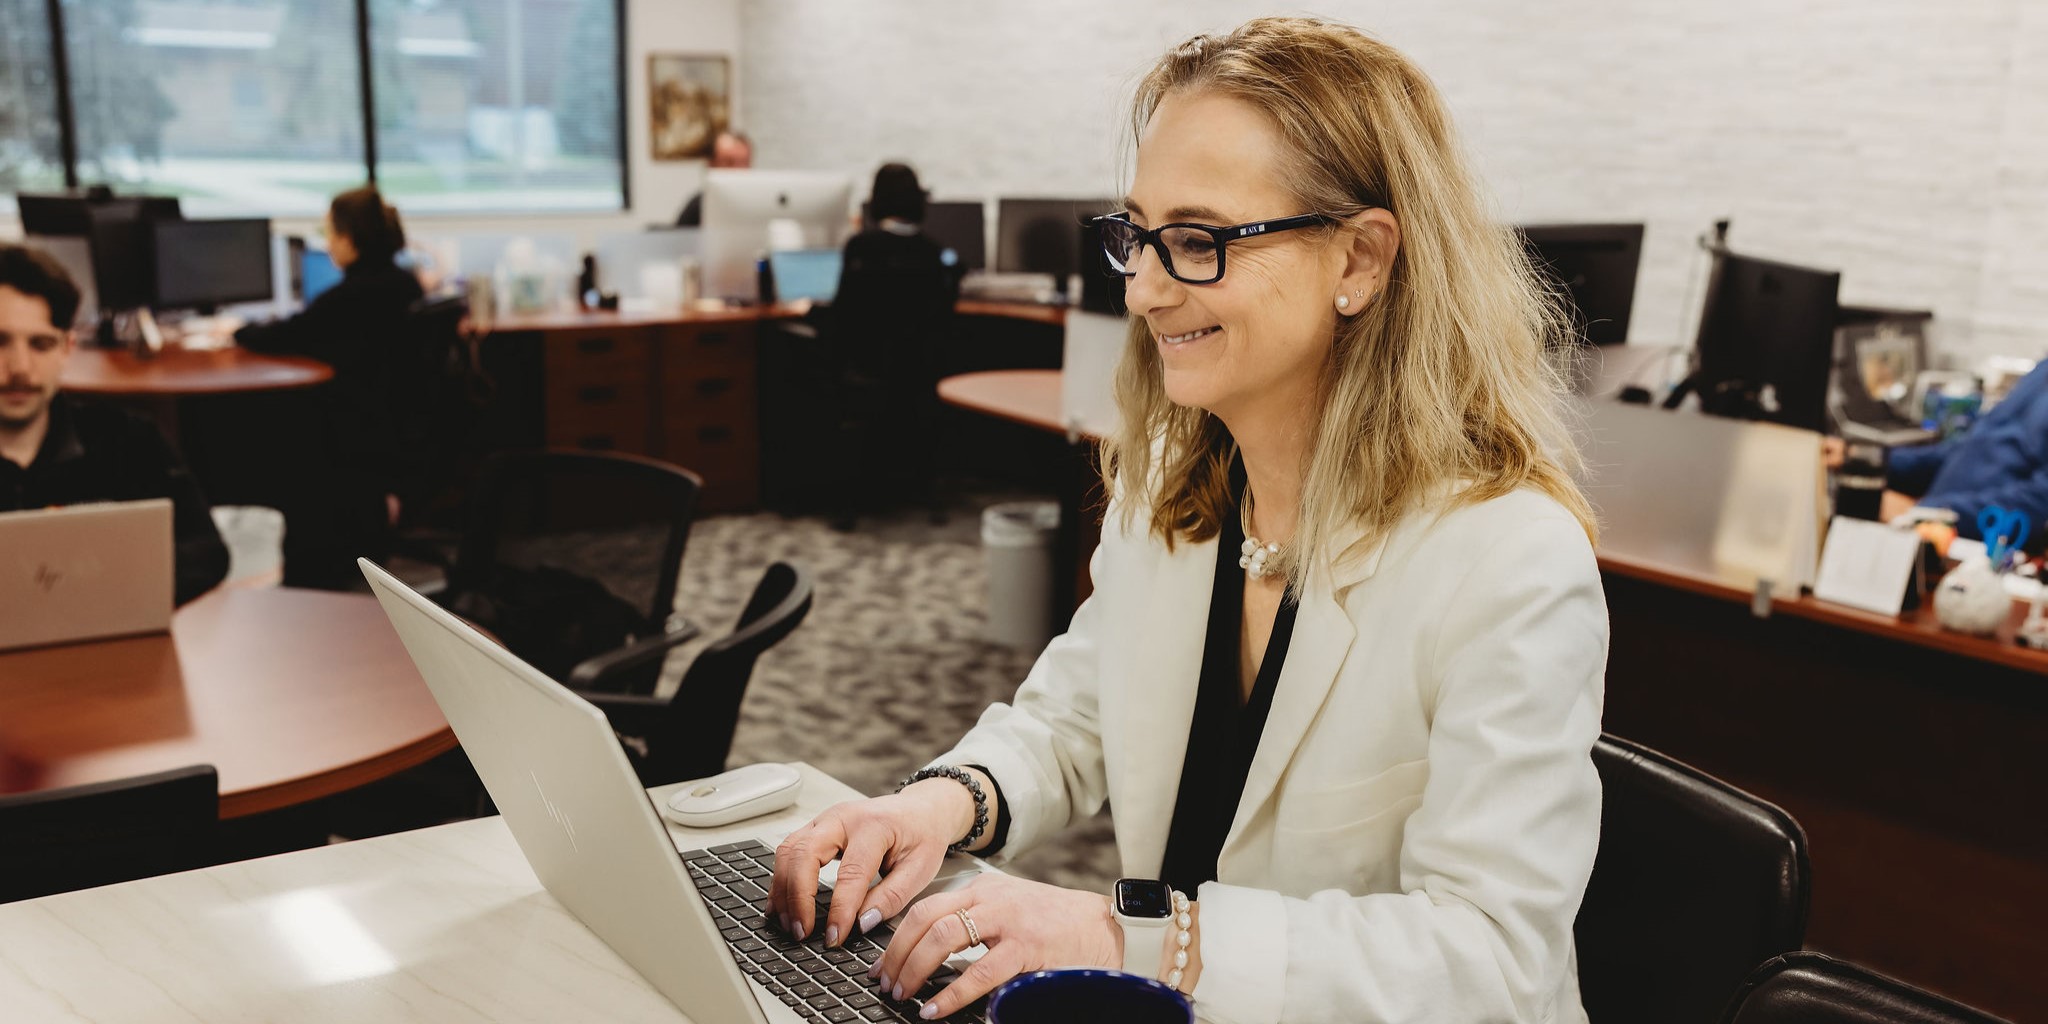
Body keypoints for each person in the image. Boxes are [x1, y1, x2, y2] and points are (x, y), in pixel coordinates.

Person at [765, 18, 1608, 1024]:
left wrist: (1137, 942)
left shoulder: (1509, 560)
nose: (1144, 288)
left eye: (1199, 241)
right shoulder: (1175, 485)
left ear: (1359, 260)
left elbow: (1491, 962)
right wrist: (936, 805)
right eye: (1137, 235)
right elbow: (1076, 719)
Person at [0, 244, 228, 604]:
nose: (20, 368)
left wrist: (96, 590)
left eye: (41, 344)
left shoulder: (129, 440)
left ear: (66, 349)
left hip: (110, 633)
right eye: (0, 342)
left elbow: (207, 552)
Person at [236, 186, 424, 589]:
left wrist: (238, 330)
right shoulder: (407, 285)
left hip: (356, 432)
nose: (327, 244)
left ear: (351, 239)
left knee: (260, 427)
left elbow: (282, 336)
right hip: (393, 428)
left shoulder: (349, 298)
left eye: (331, 233)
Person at [825, 163, 960, 520]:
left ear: (875, 201)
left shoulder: (861, 247)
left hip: (869, 372)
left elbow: (842, 316)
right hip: (921, 376)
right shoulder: (934, 253)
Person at [1824, 360, 2048, 536]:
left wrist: (1929, 513)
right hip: (1930, 527)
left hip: (1973, 549)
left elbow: (2038, 504)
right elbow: (1965, 450)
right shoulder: (2042, 371)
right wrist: (1863, 458)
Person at [674, 130, 754, 227]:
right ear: (711, 165)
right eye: (729, 163)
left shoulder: (759, 206)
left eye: (744, 163)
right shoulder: (698, 207)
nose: (738, 171)